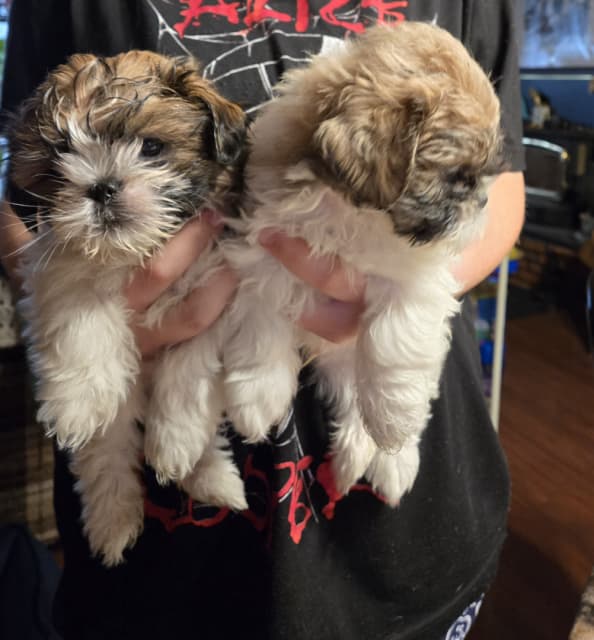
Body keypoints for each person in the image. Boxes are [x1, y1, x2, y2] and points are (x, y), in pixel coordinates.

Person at [0, 1, 525, 638]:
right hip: (166, 577)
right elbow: (21, 195)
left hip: (413, 535)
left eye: (151, 146)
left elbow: (500, 192)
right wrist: (79, 308)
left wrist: (396, 290)